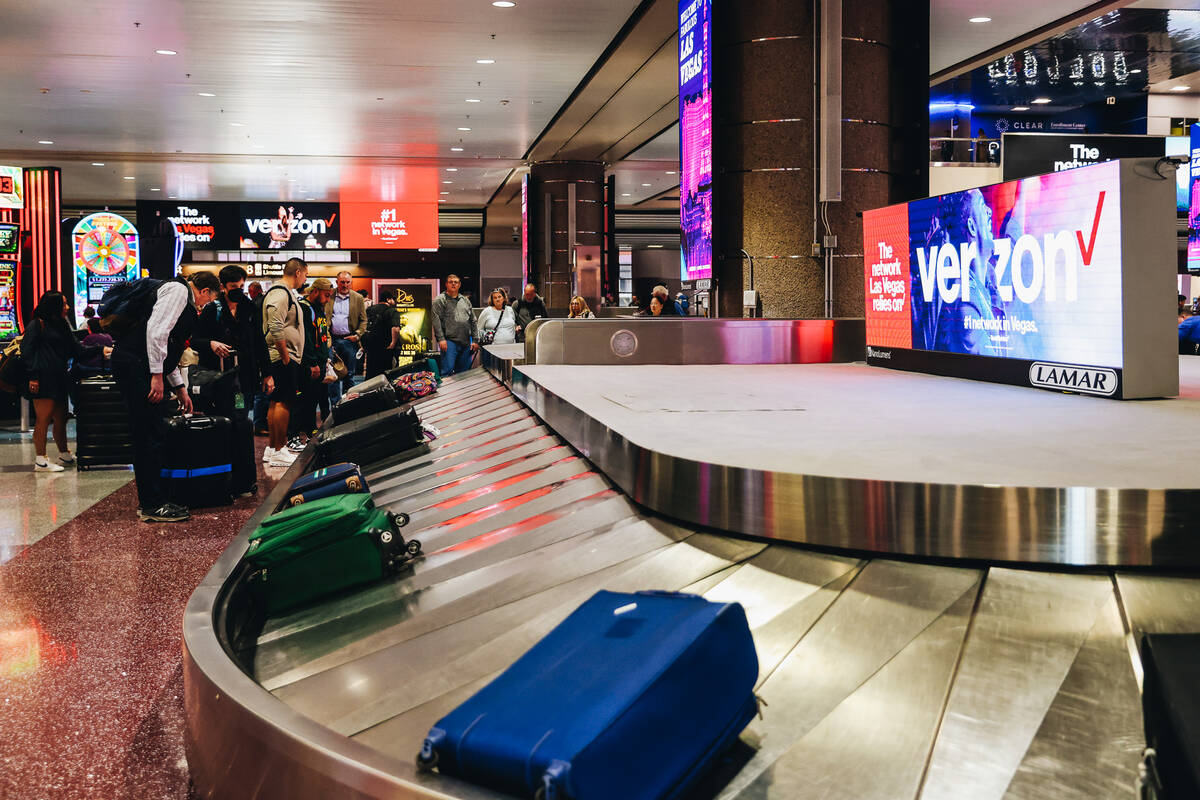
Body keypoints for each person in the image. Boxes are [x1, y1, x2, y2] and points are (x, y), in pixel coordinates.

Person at [110, 272, 221, 522]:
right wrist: (156, 376)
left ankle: (153, 499)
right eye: (207, 301)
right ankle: (151, 504)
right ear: (203, 291)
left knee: (153, 430)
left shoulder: (181, 298)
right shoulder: (179, 291)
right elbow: (157, 333)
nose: (204, 306)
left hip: (139, 364)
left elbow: (169, 347)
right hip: (135, 365)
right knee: (147, 432)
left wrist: (179, 387)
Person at [23, 291, 111, 472]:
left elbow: (76, 349)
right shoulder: (37, 324)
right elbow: (27, 350)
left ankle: (63, 453)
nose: (68, 307)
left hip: (60, 376)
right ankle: (40, 459)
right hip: (43, 377)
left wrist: (99, 349)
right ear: (54, 305)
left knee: (61, 417)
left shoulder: (61, 324)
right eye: (64, 304)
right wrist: (33, 376)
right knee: (43, 418)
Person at [190, 264, 274, 421]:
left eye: (242, 286)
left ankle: (239, 443)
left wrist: (267, 374)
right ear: (223, 287)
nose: (239, 290)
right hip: (218, 377)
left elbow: (259, 342)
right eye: (234, 286)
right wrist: (211, 344)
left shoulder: (250, 309)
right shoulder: (212, 309)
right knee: (221, 418)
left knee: (240, 414)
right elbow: (195, 340)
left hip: (244, 378)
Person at [261, 258, 308, 467]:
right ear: (298, 272)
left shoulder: (284, 293)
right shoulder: (280, 293)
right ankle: (279, 449)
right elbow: (275, 323)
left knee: (277, 401)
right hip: (282, 357)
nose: (305, 279)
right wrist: (286, 356)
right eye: (306, 274)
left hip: (283, 356)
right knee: (283, 402)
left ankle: (273, 448)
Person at [295, 277, 335, 440]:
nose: (327, 299)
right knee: (309, 397)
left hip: (320, 358)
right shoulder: (305, 308)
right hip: (310, 361)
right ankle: (308, 427)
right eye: (326, 295)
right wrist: (312, 362)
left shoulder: (319, 307)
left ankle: (316, 425)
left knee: (320, 395)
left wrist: (325, 358)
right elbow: (307, 339)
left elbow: (322, 333)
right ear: (316, 291)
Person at [325, 270, 366, 399]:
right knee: (333, 375)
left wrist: (358, 335)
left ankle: (349, 405)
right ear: (337, 282)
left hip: (350, 340)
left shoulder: (358, 298)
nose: (345, 285)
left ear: (351, 283)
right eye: (342, 282)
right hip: (332, 340)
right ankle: (335, 406)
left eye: (348, 282)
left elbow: (364, 320)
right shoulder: (329, 296)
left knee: (350, 375)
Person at [432, 274, 477, 376]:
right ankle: (444, 392)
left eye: (456, 282)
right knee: (447, 371)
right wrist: (441, 339)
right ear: (446, 284)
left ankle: (462, 392)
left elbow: (473, 320)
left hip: (465, 342)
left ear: (459, 285)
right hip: (449, 341)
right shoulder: (440, 300)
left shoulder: (465, 300)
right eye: (450, 282)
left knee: (464, 374)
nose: (453, 284)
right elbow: (436, 321)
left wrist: (475, 340)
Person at [363, 288, 403, 379]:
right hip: (387, 348)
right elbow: (395, 328)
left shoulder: (369, 310)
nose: (394, 301)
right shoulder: (392, 311)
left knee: (371, 375)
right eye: (393, 299)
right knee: (389, 374)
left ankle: (371, 393)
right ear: (388, 299)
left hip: (372, 348)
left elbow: (363, 326)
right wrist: (393, 343)